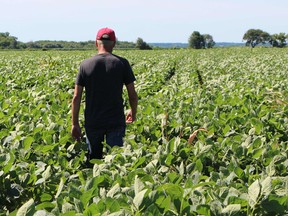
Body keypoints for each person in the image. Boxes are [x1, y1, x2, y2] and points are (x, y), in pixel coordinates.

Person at [71, 27, 138, 161]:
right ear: (114, 43)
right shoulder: (122, 63)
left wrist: (75, 124)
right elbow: (132, 94)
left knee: (93, 161)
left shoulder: (85, 64)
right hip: (115, 120)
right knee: (116, 161)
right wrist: (133, 111)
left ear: (96, 43)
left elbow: (76, 97)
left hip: (93, 120)